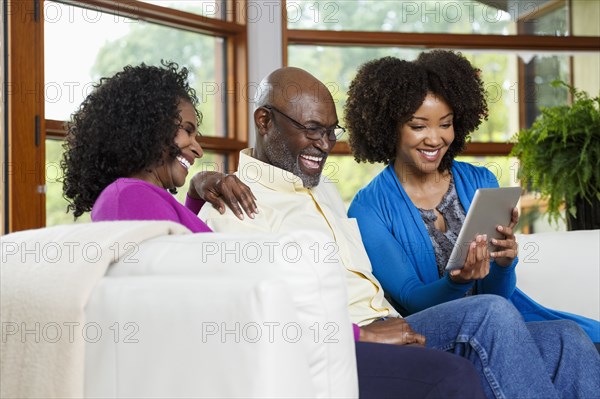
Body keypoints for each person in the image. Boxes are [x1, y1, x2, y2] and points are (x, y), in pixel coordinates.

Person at [194, 66, 600, 398]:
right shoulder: (234, 201)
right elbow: (257, 314)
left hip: (395, 324)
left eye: (331, 132)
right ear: (263, 120)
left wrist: (501, 263)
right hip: (356, 339)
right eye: (313, 129)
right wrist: (359, 333)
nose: (324, 145)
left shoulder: (322, 192)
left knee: (565, 338)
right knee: (489, 315)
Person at [344, 51, 600, 347]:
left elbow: (498, 297)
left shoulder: (480, 181)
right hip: (435, 333)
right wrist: (459, 280)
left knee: (580, 337)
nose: (435, 138)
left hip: (503, 318)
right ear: (389, 127)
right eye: (418, 126)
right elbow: (412, 299)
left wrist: (504, 263)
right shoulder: (369, 208)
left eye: (445, 123)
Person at [61, 61, 256, 229]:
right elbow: (189, 263)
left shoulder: (140, 197)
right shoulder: (129, 196)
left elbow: (183, 245)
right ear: (150, 126)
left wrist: (194, 194)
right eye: (188, 130)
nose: (199, 151)